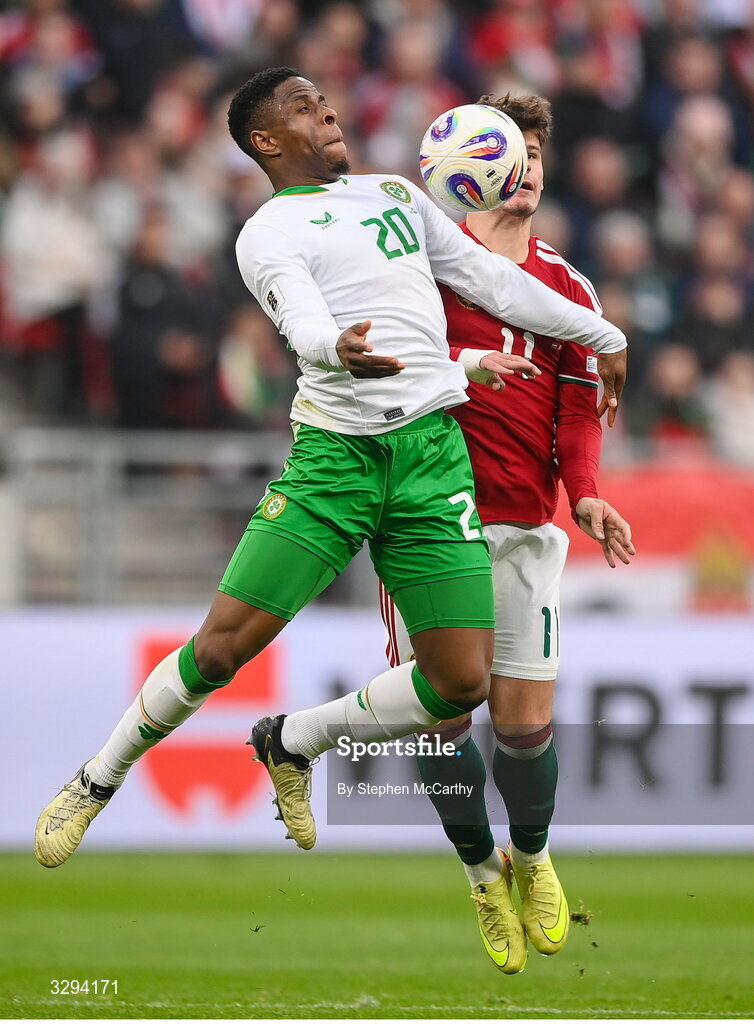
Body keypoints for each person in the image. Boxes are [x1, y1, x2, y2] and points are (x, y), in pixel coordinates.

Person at [34, 67, 627, 873]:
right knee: (219, 652)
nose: (330, 112)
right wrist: (332, 348)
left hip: (429, 462)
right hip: (336, 462)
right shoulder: (265, 234)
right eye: (307, 108)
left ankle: (293, 742)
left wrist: (603, 335)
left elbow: (489, 279)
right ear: (268, 141)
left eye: (327, 101)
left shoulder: (394, 195)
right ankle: (97, 779)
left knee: (461, 684)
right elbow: (302, 317)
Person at [379, 93, 635, 974]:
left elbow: (579, 407)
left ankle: (530, 855)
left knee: (524, 728)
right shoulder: (425, 268)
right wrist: (459, 369)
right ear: (465, 168)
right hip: (427, 521)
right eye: (504, 154)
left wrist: (589, 493)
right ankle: (482, 873)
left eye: (531, 153)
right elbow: (391, 362)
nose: (522, 168)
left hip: (527, 526)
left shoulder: (568, 286)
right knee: (443, 719)